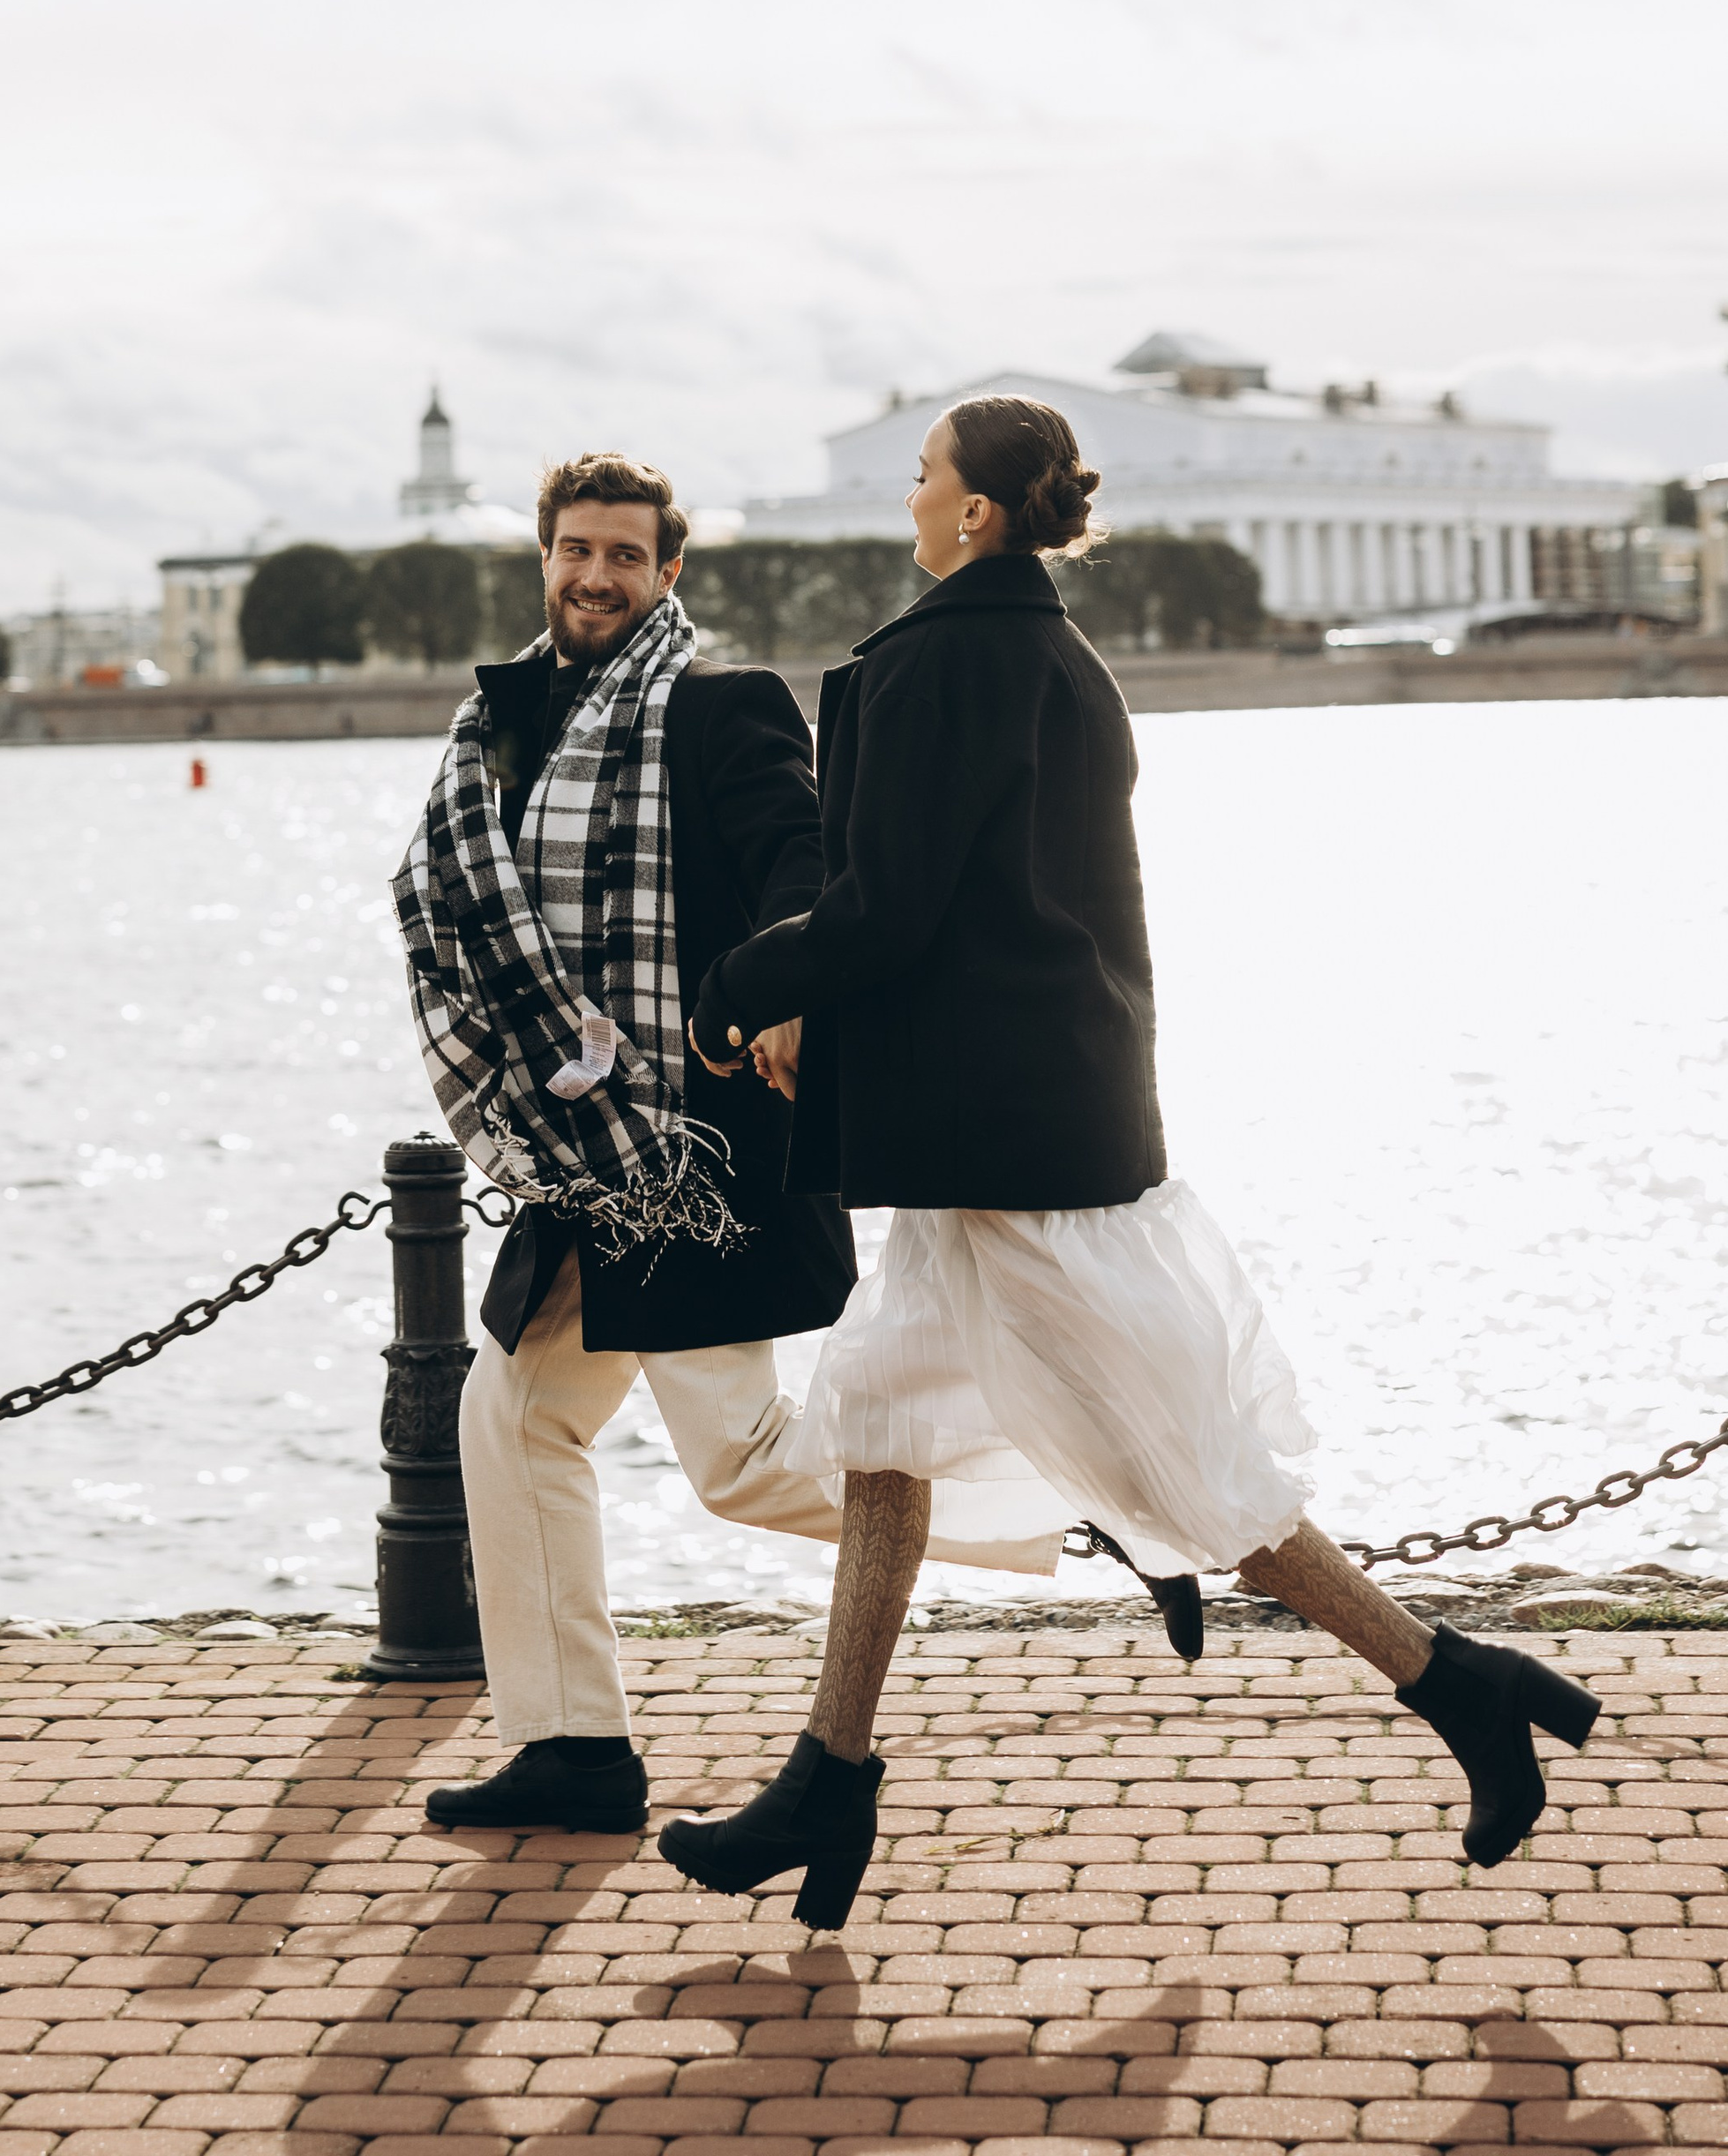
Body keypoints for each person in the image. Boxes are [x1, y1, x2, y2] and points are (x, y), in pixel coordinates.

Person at [659, 392, 1599, 1931]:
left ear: (973, 514)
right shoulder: (1062, 660)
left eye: (922, 477)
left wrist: (738, 986)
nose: (907, 495)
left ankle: (1457, 1682)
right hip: (1025, 1115)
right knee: (882, 1427)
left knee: (1196, 1473)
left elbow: (886, 910)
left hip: (1009, 1140)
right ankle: (827, 1778)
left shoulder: (944, 662)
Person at [392, 451, 862, 1834]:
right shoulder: (503, 723)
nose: (596, 574)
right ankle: (574, 1749)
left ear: (671, 572)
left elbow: (800, 854)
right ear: (543, 556)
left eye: (625, 554)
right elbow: (459, 902)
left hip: (695, 1148)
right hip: (574, 1142)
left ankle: (1059, 1517)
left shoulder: (720, 705)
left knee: (745, 1465)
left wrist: (778, 980)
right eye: (574, 549)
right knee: (516, 1416)